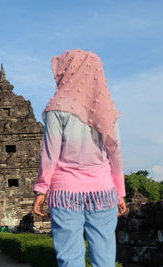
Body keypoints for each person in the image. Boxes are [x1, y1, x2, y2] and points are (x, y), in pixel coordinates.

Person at [33, 49, 127, 267]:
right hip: (104, 191)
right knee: (104, 259)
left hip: (65, 191)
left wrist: (41, 189)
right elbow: (116, 154)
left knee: (69, 258)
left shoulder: (57, 108)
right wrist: (120, 192)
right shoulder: (108, 110)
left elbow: (49, 154)